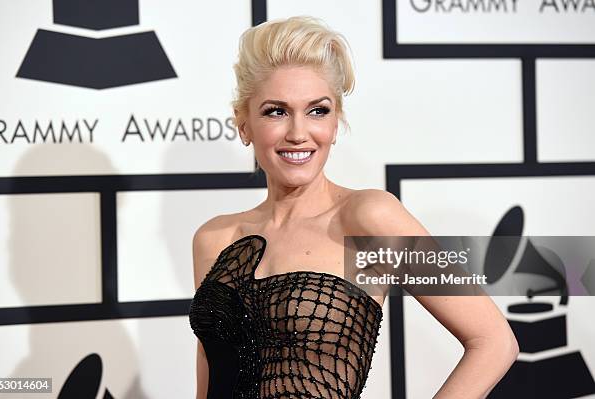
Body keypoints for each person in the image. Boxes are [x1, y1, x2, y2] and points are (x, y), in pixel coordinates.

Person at [188, 15, 519, 399]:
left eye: (318, 110)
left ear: (335, 122)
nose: (298, 133)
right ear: (244, 124)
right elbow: (212, 372)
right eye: (276, 111)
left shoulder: (367, 217)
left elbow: (494, 342)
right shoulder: (214, 239)